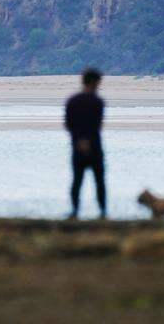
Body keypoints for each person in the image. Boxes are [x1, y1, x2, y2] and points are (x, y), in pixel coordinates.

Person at [64, 68, 107, 220]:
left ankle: (75, 211)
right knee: (99, 182)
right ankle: (102, 212)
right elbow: (97, 125)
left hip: (77, 147)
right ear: (96, 83)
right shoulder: (98, 102)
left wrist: (80, 140)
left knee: (77, 181)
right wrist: (88, 141)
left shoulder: (72, 100)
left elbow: (69, 125)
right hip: (95, 147)